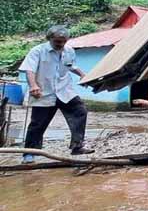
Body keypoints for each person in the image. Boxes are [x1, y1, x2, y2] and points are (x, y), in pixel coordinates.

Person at [19, 25, 95, 163]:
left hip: (64, 90)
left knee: (80, 111)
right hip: (44, 92)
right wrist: (33, 86)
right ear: (50, 39)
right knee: (38, 123)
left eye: (63, 41)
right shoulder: (37, 51)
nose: (60, 44)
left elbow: (71, 66)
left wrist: (84, 75)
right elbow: (29, 70)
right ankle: (29, 153)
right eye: (57, 41)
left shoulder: (69, 51)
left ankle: (77, 146)